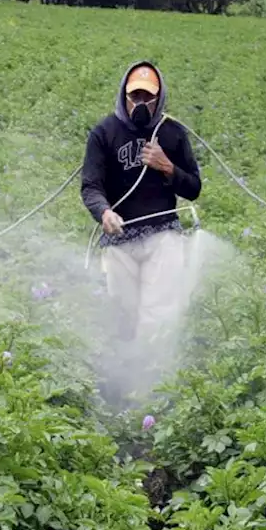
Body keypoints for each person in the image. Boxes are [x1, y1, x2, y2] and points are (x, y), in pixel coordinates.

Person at [81, 61, 202, 347]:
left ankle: (152, 378)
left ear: (160, 98)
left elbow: (194, 188)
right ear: (124, 95)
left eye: (148, 97)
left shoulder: (172, 134)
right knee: (123, 315)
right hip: (120, 238)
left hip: (163, 235)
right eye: (135, 96)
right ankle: (122, 375)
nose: (141, 103)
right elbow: (91, 186)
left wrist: (167, 167)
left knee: (158, 315)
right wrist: (104, 212)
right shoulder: (104, 133)